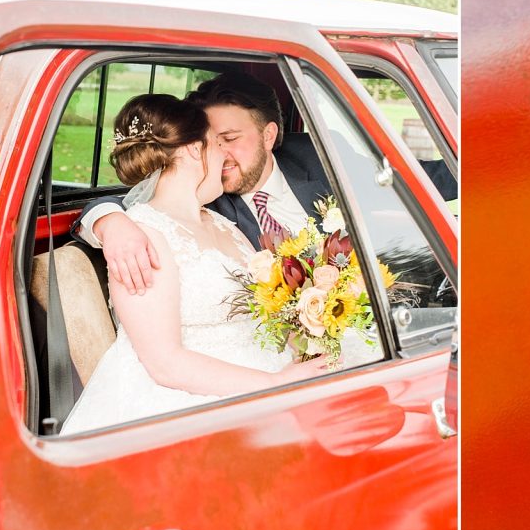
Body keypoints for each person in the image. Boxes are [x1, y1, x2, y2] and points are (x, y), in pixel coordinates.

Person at [61, 94, 337, 435]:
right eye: (218, 143)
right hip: (184, 397)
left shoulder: (223, 224)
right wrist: (274, 383)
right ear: (194, 149)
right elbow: (164, 363)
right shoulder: (142, 237)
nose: (225, 155)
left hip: (268, 364)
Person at [76, 70, 457, 295]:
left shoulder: (317, 156)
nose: (219, 155)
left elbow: (418, 180)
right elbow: (125, 201)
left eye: (231, 139)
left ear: (269, 135)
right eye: (209, 141)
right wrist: (110, 223)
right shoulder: (201, 196)